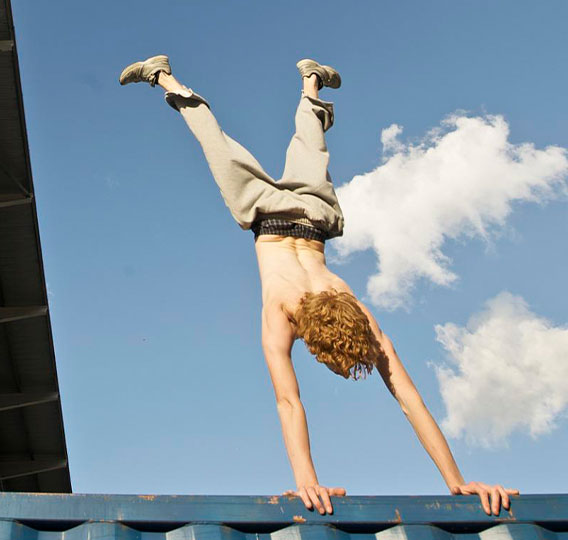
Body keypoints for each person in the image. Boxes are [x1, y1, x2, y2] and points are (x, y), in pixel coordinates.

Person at [119, 55, 519, 516]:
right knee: (215, 141)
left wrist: (458, 481)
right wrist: (309, 483)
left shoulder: (353, 307)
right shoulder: (284, 313)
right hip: (264, 214)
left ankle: (311, 81)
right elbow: (292, 401)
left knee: (308, 142)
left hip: (315, 216)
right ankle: (162, 75)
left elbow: (409, 400)